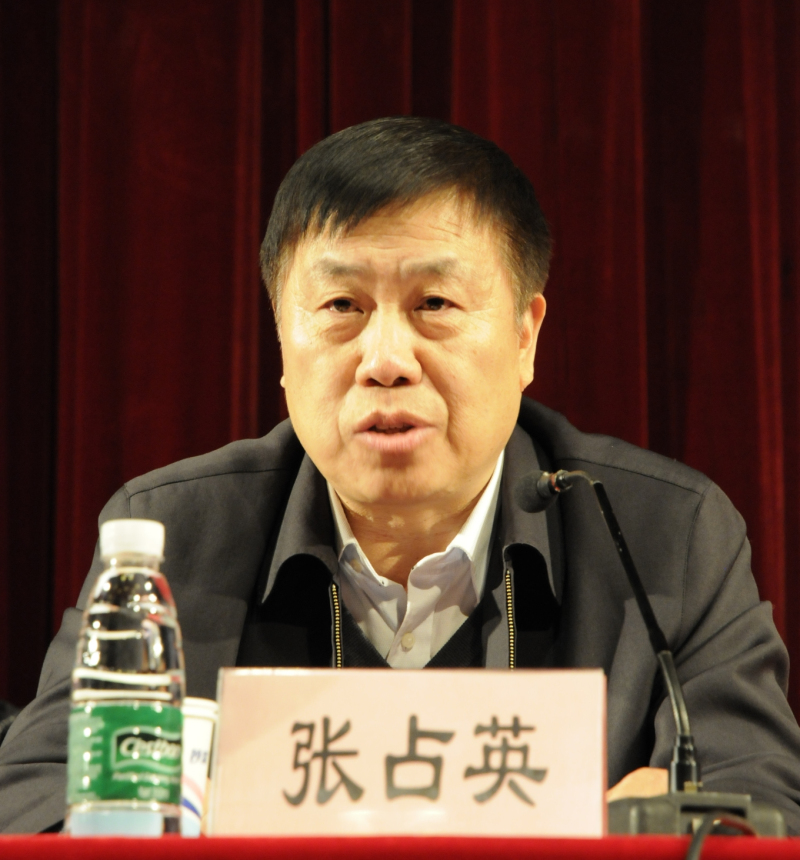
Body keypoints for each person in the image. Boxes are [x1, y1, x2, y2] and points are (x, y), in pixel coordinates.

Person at [2, 117, 800, 833]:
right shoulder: (174, 539)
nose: (385, 360)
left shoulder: (666, 537)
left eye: (435, 304)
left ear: (526, 336)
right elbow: (33, 803)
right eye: (341, 306)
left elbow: (759, 808)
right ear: (281, 340)